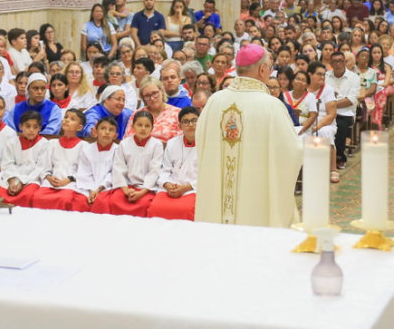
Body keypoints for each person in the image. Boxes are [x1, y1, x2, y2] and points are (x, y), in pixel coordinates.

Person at [195, 44, 304, 227]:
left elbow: (201, 143)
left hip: (217, 194)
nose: (270, 71)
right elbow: (290, 152)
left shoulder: (214, 100)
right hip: (256, 197)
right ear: (262, 69)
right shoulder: (271, 105)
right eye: (270, 67)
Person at [93, 109, 163, 217]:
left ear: (152, 128)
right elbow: (118, 167)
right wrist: (125, 189)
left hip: (146, 188)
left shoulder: (156, 145)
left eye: (147, 126)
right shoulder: (124, 144)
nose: (143, 129)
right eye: (139, 125)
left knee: (144, 204)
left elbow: (154, 171)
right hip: (126, 186)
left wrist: (142, 192)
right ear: (133, 126)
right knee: (114, 202)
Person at [147, 106, 201, 220]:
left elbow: (208, 176)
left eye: (194, 121)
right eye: (186, 122)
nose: (191, 125)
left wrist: (185, 188)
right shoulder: (172, 143)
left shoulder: (207, 145)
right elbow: (164, 169)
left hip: (192, 189)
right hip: (171, 188)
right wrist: (167, 185)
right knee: (155, 208)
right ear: (180, 126)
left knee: (186, 210)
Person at [31, 109, 88, 212]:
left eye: (72, 119)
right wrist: (49, 177)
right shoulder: (52, 143)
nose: (66, 120)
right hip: (50, 182)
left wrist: (68, 180)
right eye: (66, 117)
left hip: (70, 183)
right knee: (37, 197)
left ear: (79, 127)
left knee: (64, 199)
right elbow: (44, 166)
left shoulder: (83, 146)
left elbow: (83, 171)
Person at [0, 110, 51, 207]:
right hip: (11, 177)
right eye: (28, 126)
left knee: (27, 195)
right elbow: (7, 164)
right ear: (21, 126)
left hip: (32, 179)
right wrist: (12, 180)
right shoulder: (11, 143)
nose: (31, 130)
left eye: (35, 127)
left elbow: (41, 168)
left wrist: (22, 182)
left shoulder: (44, 144)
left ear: (39, 128)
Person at [74, 117, 118, 211]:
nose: (107, 132)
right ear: (96, 132)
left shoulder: (118, 151)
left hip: (108, 187)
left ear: (115, 135)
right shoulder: (87, 150)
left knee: (102, 202)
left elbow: (114, 173)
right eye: (103, 128)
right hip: (87, 187)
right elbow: (84, 172)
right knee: (79, 201)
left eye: (111, 130)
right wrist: (91, 190)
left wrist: (98, 190)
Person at [325, 51, 360, 169]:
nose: (338, 64)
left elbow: (350, 100)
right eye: (335, 62)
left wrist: (331, 104)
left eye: (340, 61)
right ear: (331, 63)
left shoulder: (353, 78)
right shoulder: (326, 77)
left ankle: (339, 156)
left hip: (346, 113)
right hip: (328, 112)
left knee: (340, 124)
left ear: (344, 62)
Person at [124, 77, 182, 143]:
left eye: (155, 93)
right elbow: (128, 139)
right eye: (147, 96)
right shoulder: (137, 114)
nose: (152, 98)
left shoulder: (177, 113)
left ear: (162, 90)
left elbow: (181, 142)